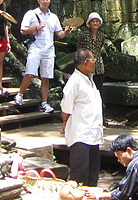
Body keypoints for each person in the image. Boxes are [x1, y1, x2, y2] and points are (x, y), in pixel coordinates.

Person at [14, 0, 72, 113]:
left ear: (50, 1)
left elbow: (59, 34)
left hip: (49, 50)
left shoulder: (53, 17)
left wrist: (66, 32)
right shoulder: (31, 14)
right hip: (35, 47)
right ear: (38, 0)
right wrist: (36, 28)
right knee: (30, 73)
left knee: (46, 77)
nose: (45, 0)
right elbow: (23, 30)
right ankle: (20, 94)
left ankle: (44, 103)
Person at [61, 49, 104, 186]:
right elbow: (66, 107)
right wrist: (65, 122)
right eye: (93, 60)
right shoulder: (74, 82)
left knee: (92, 175)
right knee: (79, 175)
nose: (95, 63)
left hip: (93, 134)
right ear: (86, 62)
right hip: (81, 135)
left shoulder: (89, 80)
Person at [77, 12, 106, 96]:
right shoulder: (84, 35)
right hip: (86, 65)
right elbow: (79, 49)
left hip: (98, 66)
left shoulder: (101, 36)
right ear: (89, 23)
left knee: (99, 89)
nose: (95, 23)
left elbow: (100, 47)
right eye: (93, 21)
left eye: (97, 21)